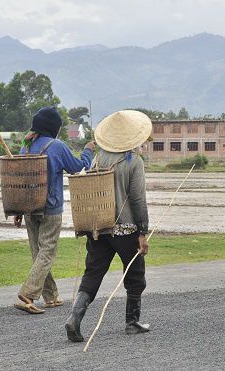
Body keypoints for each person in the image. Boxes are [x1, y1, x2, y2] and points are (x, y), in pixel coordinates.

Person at [65, 110, 151, 341]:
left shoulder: (98, 158)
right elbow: (138, 199)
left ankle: (74, 318)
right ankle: (132, 322)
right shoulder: (134, 162)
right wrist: (143, 231)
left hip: (99, 228)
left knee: (93, 273)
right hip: (125, 229)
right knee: (135, 275)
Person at [14, 106, 95, 314]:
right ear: (54, 128)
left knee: (38, 252)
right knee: (47, 252)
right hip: (51, 208)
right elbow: (78, 168)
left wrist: (18, 211)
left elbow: (19, 180)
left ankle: (50, 297)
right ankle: (28, 294)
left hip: (29, 208)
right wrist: (88, 150)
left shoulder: (26, 146)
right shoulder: (57, 146)